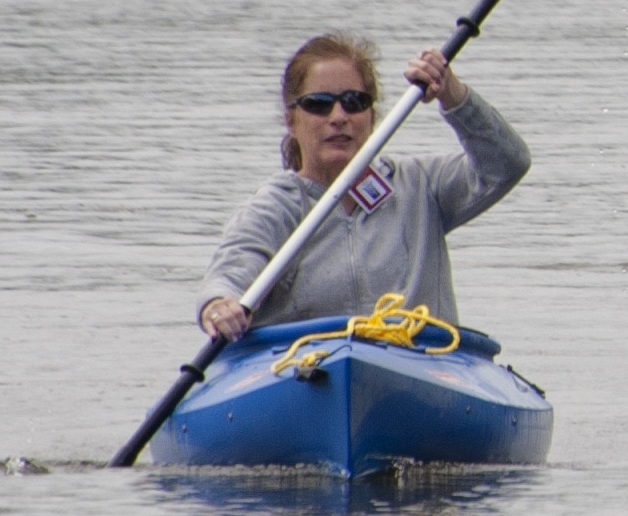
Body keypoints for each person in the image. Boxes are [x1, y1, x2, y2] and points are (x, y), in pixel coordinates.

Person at [198, 31, 531, 340]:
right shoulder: (273, 208)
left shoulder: (422, 186)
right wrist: (220, 305)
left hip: (420, 361)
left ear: (372, 116)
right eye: (319, 104)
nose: (339, 116)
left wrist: (452, 94)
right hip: (309, 373)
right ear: (291, 120)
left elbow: (507, 164)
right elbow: (231, 270)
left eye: (354, 102)